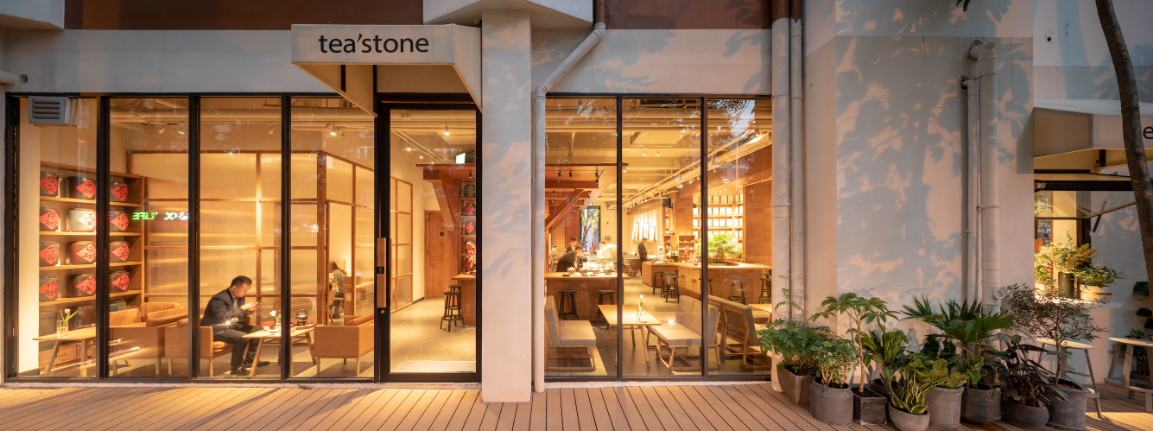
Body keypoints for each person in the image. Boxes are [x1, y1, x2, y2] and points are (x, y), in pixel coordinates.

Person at [201, 275, 269, 376]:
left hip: (233, 326)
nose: (246, 293)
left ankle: (251, 360)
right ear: (234, 288)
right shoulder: (219, 299)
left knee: (259, 330)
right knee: (241, 337)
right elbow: (221, 317)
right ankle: (236, 367)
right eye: (244, 290)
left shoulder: (241, 298)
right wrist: (242, 308)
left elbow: (239, 314)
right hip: (217, 330)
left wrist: (250, 310)